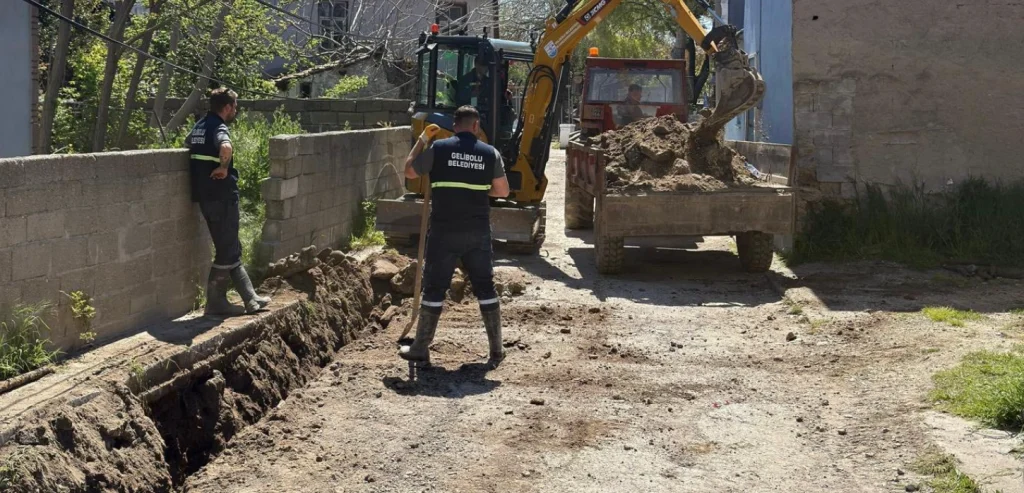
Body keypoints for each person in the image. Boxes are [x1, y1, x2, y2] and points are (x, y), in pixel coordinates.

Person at [400, 106, 511, 369]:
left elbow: (409, 172)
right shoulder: (490, 153)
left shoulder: (438, 149)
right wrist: (477, 189)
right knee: (485, 286)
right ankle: (496, 350)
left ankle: (419, 348)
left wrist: (422, 141)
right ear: (476, 126)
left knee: (435, 288)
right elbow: (503, 191)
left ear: (454, 124)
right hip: (477, 232)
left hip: (443, 231)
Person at [187, 88, 271, 316]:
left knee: (231, 247)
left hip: (205, 196)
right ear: (226, 107)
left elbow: (189, 147)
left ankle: (250, 298)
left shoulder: (199, 127)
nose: (236, 110)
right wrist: (223, 168)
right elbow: (225, 146)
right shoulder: (219, 128)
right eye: (235, 106)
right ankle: (216, 303)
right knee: (227, 250)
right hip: (221, 196)